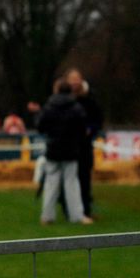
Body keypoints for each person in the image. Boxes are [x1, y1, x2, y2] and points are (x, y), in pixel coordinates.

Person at [36, 76, 93, 227]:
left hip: (53, 149)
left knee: (51, 183)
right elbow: (83, 129)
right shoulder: (76, 107)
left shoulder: (49, 107)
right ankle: (76, 216)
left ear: (56, 90)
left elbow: (40, 126)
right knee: (72, 183)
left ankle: (47, 216)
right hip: (71, 149)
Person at [66, 69, 103, 219]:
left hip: (84, 145)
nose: (75, 82)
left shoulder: (90, 98)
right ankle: (69, 209)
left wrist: (90, 130)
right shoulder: (64, 99)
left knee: (84, 178)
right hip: (68, 146)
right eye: (72, 79)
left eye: (77, 79)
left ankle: (85, 209)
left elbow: (98, 119)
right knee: (69, 179)